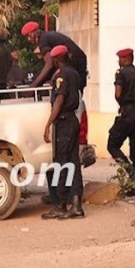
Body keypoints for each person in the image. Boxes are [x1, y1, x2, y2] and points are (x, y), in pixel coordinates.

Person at [41, 45, 84, 220]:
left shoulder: (61, 75)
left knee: (62, 163)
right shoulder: (74, 73)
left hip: (64, 122)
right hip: (72, 120)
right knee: (73, 163)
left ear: (56, 59)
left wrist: (48, 124)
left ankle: (60, 205)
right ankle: (76, 206)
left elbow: (59, 100)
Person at [107, 48, 135, 195]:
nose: (118, 61)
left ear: (125, 59)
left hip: (127, 114)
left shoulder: (121, 73)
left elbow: (118, 94)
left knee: (112, 145)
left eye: (120, 59)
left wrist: (125, 105)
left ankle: (131, 172)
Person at [21, 21, 88, 92]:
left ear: (35, 32)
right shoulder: (47, 36)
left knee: (67, 91)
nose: (29, 39)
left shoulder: (43, 40)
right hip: (77, 63)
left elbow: (49, 64)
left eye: (29, 36)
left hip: (74, 64)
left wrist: (34, 86)